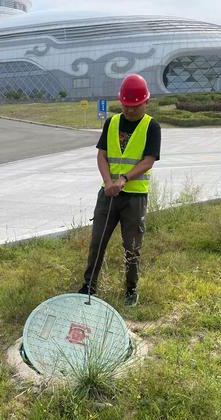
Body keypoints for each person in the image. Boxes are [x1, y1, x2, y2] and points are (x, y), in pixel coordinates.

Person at [79, 74, 161, 306]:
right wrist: (108, 182)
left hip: (134, 198)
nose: (130, 110)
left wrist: (123, 179)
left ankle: (131, 289)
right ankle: (89, 286)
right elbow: (102, 155)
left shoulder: (151, 127)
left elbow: (148, 160)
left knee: (132, 246)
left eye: (135, 106)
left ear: (146, 102)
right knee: (98, 241)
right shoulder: (112, 123)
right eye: (126, 105)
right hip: (108, 196)